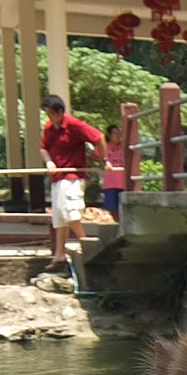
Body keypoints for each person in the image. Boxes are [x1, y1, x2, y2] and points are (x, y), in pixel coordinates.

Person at [38, 94, 105, 271]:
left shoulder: (74, 125)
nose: (49, 117)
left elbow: (99, 137)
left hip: (72, 176)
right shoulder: (49, 127)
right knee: (59, 217)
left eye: (52, 113)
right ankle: (59, 253)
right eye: (47, 114)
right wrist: (49, 162)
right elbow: (43, 148)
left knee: (70, 213)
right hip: (57, 176)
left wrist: (101, 158)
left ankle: (86, 241)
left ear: (61, 112)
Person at [101, 124, 126, 218]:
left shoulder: (123, 147)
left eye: (119, 134)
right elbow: (92, 155)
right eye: (115, 133)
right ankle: (117, 225)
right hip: (110, 183)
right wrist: (102, 161)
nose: (118, 136)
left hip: (123, 182)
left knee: (123, 206)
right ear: (109, 135)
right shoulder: (104, 147)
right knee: (113, 208)